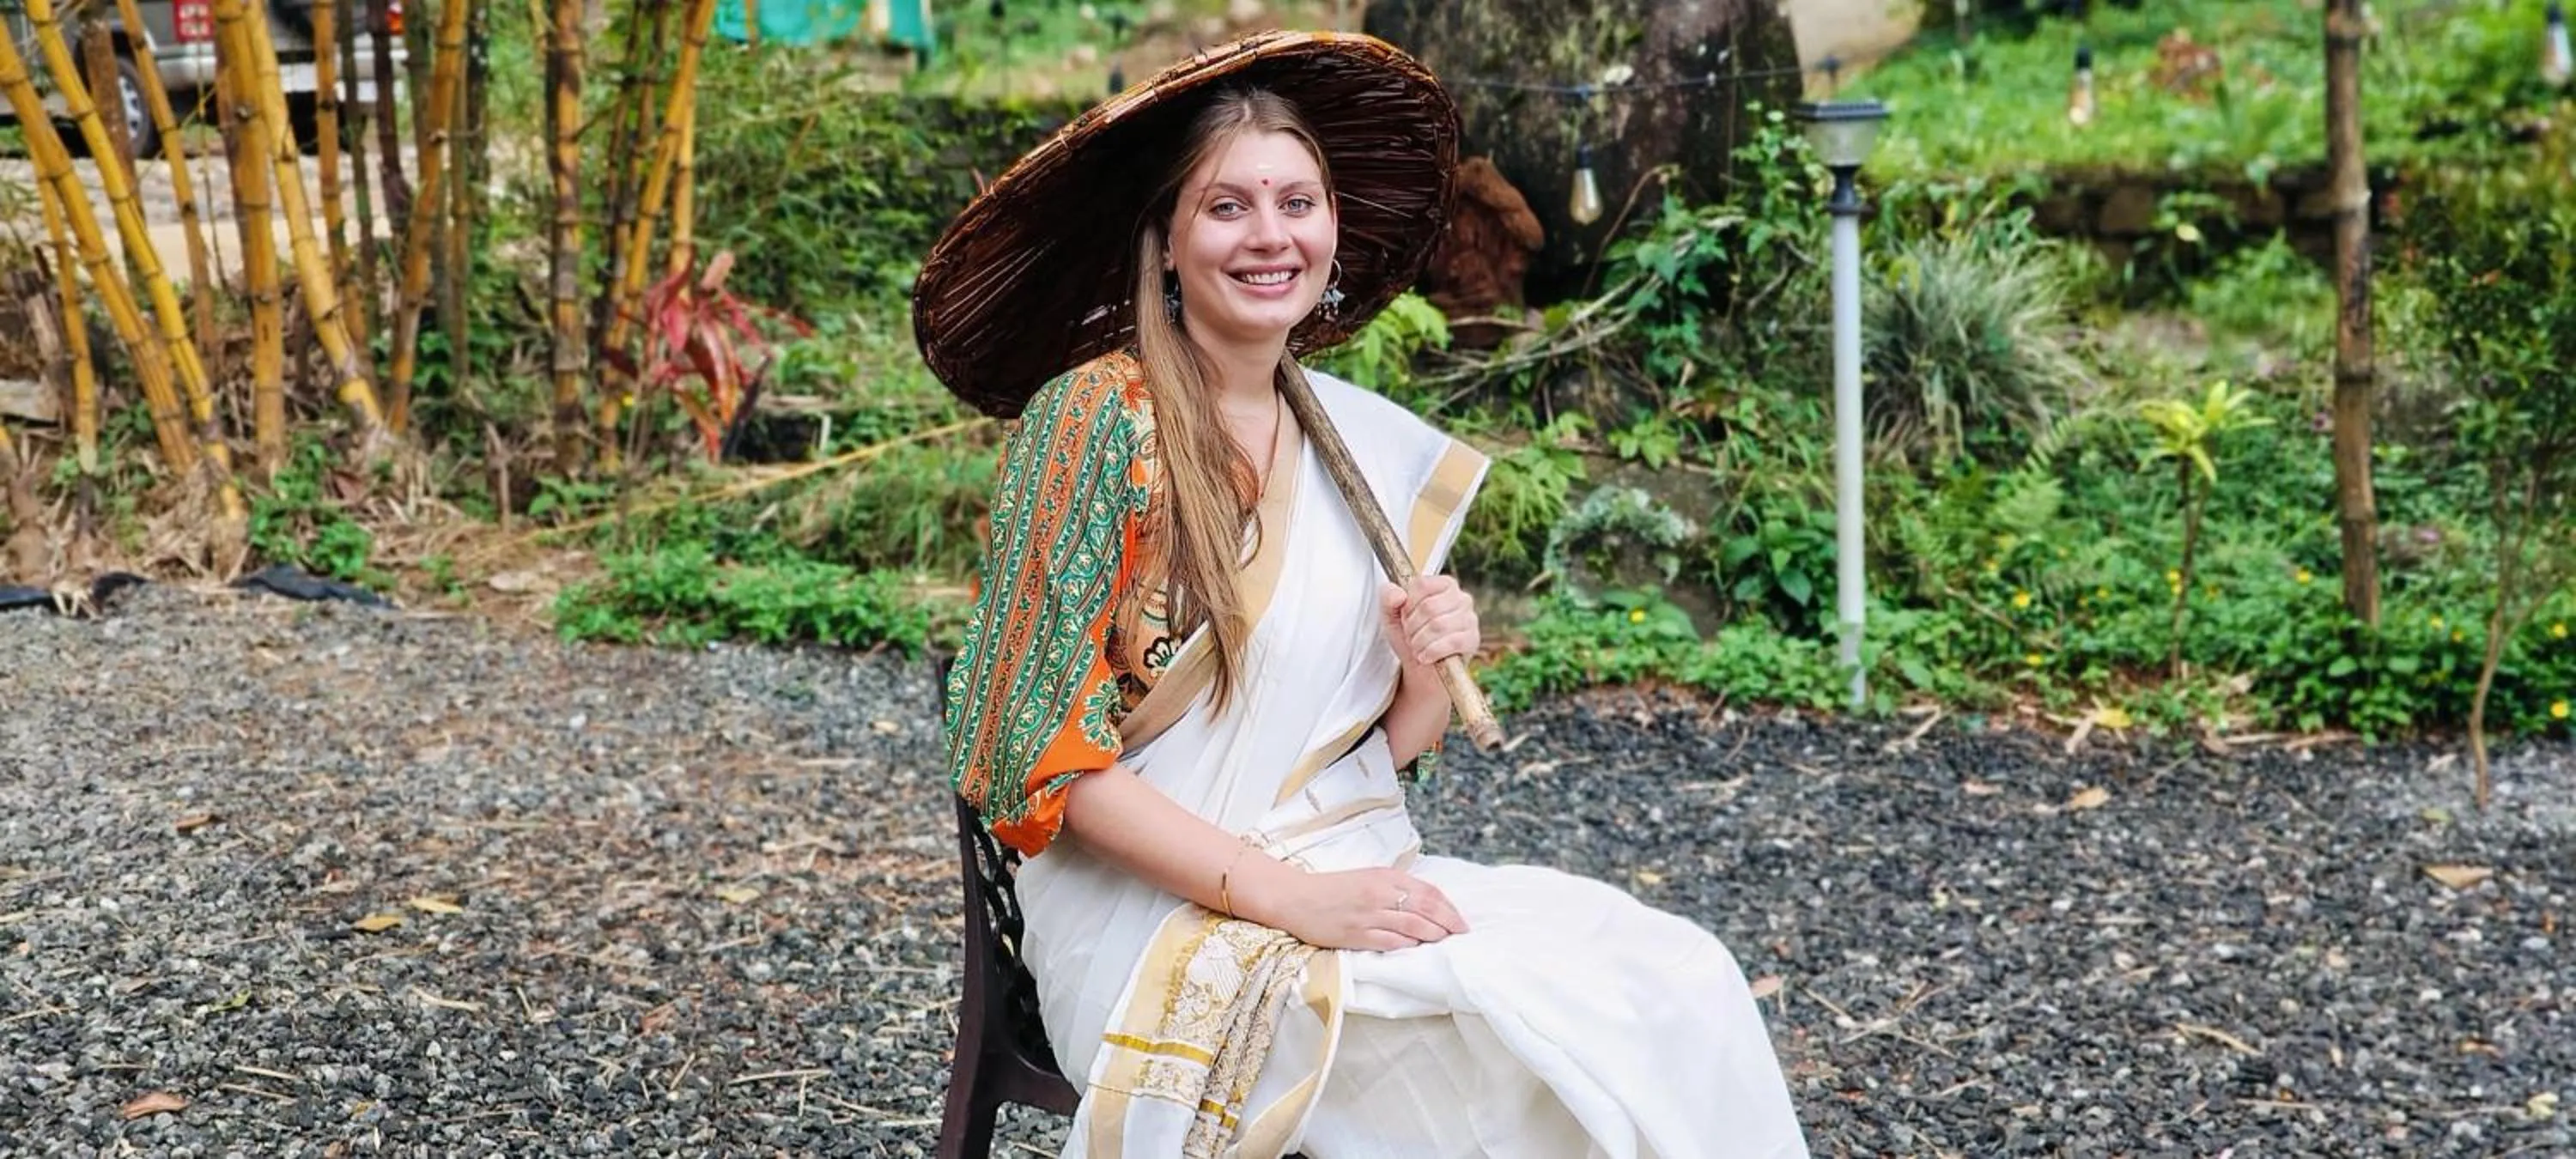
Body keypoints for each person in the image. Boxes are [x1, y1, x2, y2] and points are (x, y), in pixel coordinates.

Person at [916, 31, 1808, 1158]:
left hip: (1340, 865)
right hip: (1149, 914)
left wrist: (1423, 665)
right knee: (1495, 1047)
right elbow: (1028, 749)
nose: (1271, 234)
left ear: (1333, 231)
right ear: (1166, 239)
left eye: (1298, 201)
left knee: (1680, 980)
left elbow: (1370, 764)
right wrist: (1285, 900)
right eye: (1227, 207)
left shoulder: (1352, 446)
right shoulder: (1098, 420)